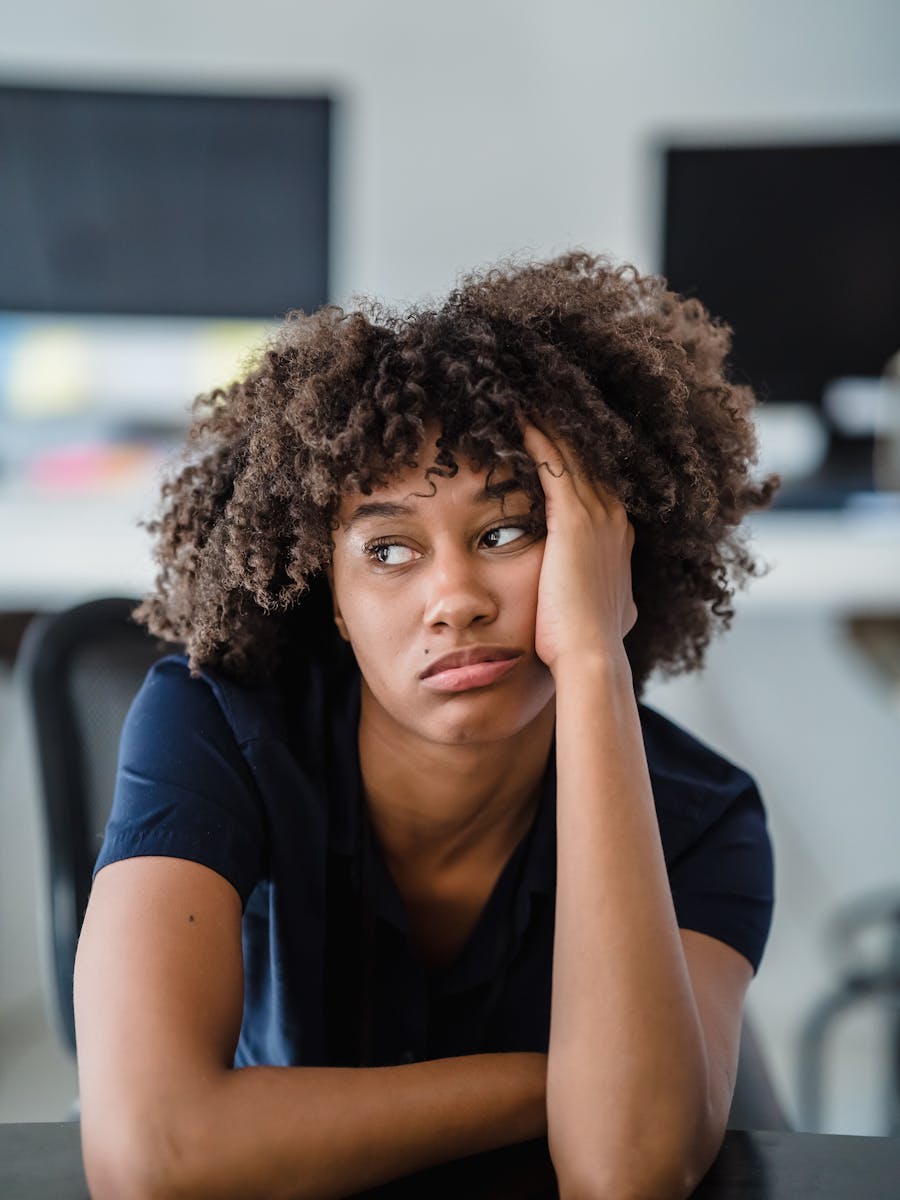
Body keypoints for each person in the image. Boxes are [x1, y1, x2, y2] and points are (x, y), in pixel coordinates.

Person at [74, 251, 778, 1200]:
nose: (454, 600)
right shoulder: (212, 723)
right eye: (390, 549)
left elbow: (626, 1171)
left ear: (607, 556)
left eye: (505, 533)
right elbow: (149, 1156)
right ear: (330, 595)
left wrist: (594, 661)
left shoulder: (704, 820)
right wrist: (557, 1087)